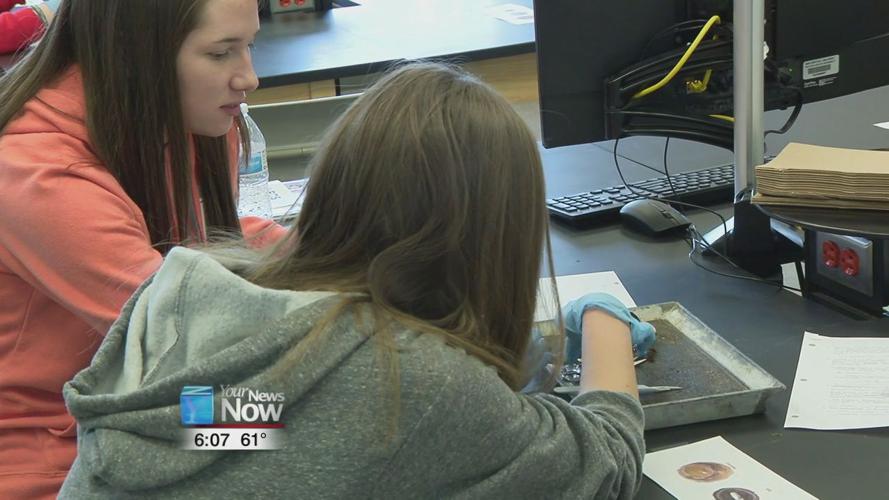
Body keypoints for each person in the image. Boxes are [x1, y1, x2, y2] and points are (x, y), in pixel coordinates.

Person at [60, 62, 653, 498]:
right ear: (492, 241)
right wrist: (603, 319)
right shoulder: (415, 383)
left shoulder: (192, 299)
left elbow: (262, 428)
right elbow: (607, 463)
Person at [0, 0, 285, 497]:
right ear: (140, 54)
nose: (248, 77)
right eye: (221, 53)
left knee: (337, 418)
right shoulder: (39, 178)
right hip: (59, 452)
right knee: (316, 417)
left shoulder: (184, 119)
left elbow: (196, 244)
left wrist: (328, 245)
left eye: (249, 46)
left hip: (151, 402)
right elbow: (192, 334)